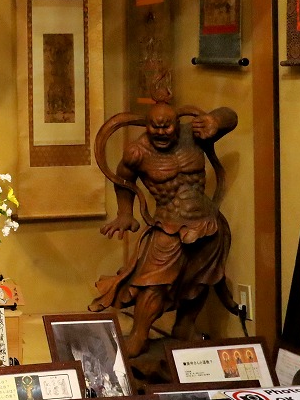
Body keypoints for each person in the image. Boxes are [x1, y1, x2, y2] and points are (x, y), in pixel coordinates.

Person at [90, 94, 239, 357]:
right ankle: (139, 335)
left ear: (177, 123)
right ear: (146, 125)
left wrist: (215, 120)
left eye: (167, 126)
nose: (161, 132)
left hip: (207, 222)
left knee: (201, 278)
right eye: (154, 127)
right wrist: (125, 213)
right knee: (152, 282)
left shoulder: (194, 135)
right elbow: (123, 180)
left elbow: (231, 116)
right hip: (169, 225)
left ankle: (185, 326)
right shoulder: (137, 152)